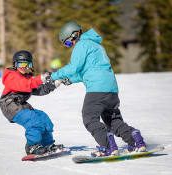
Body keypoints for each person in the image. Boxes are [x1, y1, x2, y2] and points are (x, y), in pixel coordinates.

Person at [50, 21, 147, 157]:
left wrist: (53, 75)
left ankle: (108, 145)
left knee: (89, 118)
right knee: (113, 121)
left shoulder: (81, 45)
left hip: (97, 90)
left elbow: (74, 67)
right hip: (111, 90)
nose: (69, 46)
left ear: (74, 34)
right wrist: (69, 80)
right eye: (67, 44)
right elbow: (87, 71)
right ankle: (135, 139)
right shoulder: (96, 45)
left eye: (67, 42)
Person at [0, 50, 63, 155]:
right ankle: (32, 146)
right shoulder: (11, 76)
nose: (23, 67)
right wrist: (41, 78)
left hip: (21, 105)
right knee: (33, 120)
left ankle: (47, 144)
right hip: (9, 105)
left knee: (43, 118)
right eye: (21, 64)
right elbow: (24, 85)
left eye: (27, 64)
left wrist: (55, 83)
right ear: (15, 64)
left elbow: (39, 90)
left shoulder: (27, 77)